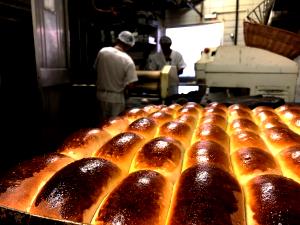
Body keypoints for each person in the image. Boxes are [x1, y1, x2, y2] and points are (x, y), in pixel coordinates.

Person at [94, 30, 138, 122]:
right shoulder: (128, 60)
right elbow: (131, 85)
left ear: (117, 39)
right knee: (114, 128)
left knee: (101, 126)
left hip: (100, 96)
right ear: (129, 46)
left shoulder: (103, 52)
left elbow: (95, 70)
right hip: (116, 98)